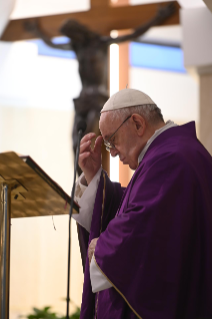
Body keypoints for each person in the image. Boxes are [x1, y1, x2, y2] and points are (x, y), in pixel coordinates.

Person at [72, 88, 212, 319]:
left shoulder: (171, 159)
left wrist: (104, 247)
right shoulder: (171, 154)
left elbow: (144, 231)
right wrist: (93, 176)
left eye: (112, 140)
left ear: (137, 124)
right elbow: (141, 210)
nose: (113, 152)